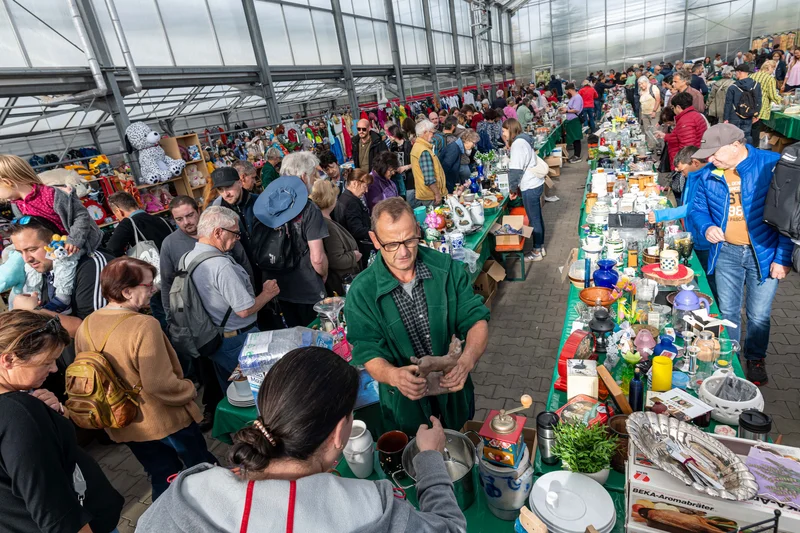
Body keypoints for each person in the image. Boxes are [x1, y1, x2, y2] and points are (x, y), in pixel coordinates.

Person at [137, 347, 466, 533]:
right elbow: (450, 528)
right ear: (339, 433)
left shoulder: (185, 496)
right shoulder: (372, 509)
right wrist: (429, 459)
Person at [74, 257, 217, 500]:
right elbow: (159, 384)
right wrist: (188, 389)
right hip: (164, 421)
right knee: (202, 468)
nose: (154, 289)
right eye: (148, 285)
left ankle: (169, 516)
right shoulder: (144, 325)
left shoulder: (87, 324)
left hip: (125, 422)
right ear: (127, 292)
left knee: (162, 475)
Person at [345, 198, 490, 433]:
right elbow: (367, 349)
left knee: (461, 441)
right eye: (391, 244)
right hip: (405, 407)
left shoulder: (445, 268)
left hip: (454, 395)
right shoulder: (362, 292)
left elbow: (476, 319)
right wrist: (393, 375)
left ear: (418, 230)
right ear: (375, 239)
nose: (403, 252)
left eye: (410, 240)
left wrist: (466, 361)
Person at [0, 311, 124, 533]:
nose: (54, 369)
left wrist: (52, 416)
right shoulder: (19, 415)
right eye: (47, 362)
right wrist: (34, 415)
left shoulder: (20, 406)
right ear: (9, 360)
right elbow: (56, 513)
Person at [689, 124, 793, 386]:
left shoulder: (772, 165)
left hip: (765, 253)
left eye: (715, 153)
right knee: (728, 311)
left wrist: (783, 258)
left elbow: (790, 217)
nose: (711, 159)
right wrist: (706, 226)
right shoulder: (709, 173)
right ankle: (730, 359)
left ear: (736, 145)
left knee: (758, 315)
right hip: (727, 253)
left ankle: (755, 358)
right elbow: (697, 209)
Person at [160, 195, 254, 431]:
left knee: (232, 391)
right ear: (218, 232)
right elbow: (244, 310)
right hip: (234, 337)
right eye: (234, 234)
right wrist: (267, 294)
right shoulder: (218, 263)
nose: (236, 239)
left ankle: (239, 434)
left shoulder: (187, 255)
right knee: (251, 393)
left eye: (190, 215)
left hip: (211, 336)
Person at [0, 154, 103, 313]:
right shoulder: (18, 204)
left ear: (7, 182)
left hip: (72, 241)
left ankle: (63, 299)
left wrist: (74, 240)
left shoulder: (50, 194)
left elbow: (81, 215)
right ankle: (34, 294)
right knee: (29, 267)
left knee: (64, 260)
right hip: (51, 245)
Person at [9, 216, 113, 337]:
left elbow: (94, 329)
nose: (26, 259)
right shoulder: (39, 272)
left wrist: (34, 313)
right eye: (20, 252)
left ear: (55, 241)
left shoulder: (90, 265)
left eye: (32, 249)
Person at [254, 166, 329, 327]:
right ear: (303, 176)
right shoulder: (309, 208)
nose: (314, 179)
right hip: (307, 287)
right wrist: (323, 274)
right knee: (317, 333)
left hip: (276, 284)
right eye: (312, 175)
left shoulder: (266, 205)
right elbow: (317, 258)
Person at [648, 146, 716, 298]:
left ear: (695, 163)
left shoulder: (705, 178)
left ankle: (710, 303)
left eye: (682, 170)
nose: (681, 174)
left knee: (709, 280)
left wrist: (662, 214)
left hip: (705, 239)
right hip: (695, 235)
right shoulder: (693, 176)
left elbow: (691, 207)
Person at [105, 191, 173, 328]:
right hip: (176, 276)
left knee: (165, 321)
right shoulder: (161, 220)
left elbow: (111, 251)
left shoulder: (128, 223)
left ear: (119, 211)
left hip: (154, 283)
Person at [504, 118, 548, 262]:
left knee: (534, 219)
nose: (503, 134)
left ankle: (536, 251)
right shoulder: (524, 140)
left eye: (504, 131)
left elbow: (515, 170)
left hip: (530, 185)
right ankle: (540, 246)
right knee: (537, 217)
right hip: (535, 183)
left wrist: (512, 189)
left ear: (510, 129)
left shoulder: (517, 144)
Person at [310, 180, 361, 296]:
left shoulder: (324, 220)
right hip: (340, 284)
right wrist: (354, 256)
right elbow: (335, 259)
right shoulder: (327, 225)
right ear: (330, 199)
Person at [211, 166, 259, 263]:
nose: (225, 194)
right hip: (241, 266)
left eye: (228, 186)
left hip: (269, 262)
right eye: (220, 189)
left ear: (240, 183)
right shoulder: (216, 213)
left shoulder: (259, 201)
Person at [654, 92, 707, 171]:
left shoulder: (686, 121)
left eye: (673, 108)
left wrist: (682, 166)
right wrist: (665, 136)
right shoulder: (695, 115)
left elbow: (687, 146)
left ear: (678, 107)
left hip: (687, 163)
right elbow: (679, 136)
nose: (673, 110)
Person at [334, 168, 374, 269]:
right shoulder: (352, 202)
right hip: (359, 249)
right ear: (355, 183)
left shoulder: (344, 197)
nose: (366, 190)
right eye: (365, 186)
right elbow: (356, 230)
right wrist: (375, 233)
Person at [410, 119, 447, 207]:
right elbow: (429, 178)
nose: (433, 135)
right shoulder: (423, 151)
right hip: (430, 196)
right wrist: (437, 194)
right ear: (424, 132)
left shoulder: (418, 147)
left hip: (426, 194)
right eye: (431, 132)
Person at [723, 64, 762, 145]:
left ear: (739, 72)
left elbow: (728, 103)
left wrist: (726, 118)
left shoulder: (733, 87)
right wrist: (756, 114)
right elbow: (758, 101)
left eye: (736, 72)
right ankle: (747, 150)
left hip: (734, 115)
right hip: (749, 115)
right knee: (746, 136)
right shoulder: (756, 85)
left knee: (733, 137)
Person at [750, 59, 782, 144]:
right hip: (761, 107)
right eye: (773, 68)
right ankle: (754, 147)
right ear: (768, 68)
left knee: (750, 129)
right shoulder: (770, 78)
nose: (773, 71)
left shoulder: (752, 75)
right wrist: (781, 101)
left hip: (750, 106)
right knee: (756, 130)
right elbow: (772, 95)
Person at [387, 124, 415, 204]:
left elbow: (416, 163)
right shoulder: (393, 146)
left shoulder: (408, 145)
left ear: (393, 135)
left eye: (389, 135)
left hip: (409, 181)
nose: (388, 137)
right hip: (399, 182)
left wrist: (405, 167)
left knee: (410, 203)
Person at [638, 75, 662, 152]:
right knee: (647, 131)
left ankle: (657, 146)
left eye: (642, 83)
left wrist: (654, 111)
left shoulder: (653, 88)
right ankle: (650, 146)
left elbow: (658, 100)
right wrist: (641, 115)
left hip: (654, 112)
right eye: (639, 84)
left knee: (654, 130)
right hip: (644, 113)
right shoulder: (641, 90)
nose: (641, 86)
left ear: (646, 82)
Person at [563, 83, 584, 163]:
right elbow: (571, 107)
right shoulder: (573, 97)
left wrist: (566, 111)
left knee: (576, 138)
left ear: (569, 90)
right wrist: (565, 109)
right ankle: (575, 154)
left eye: (566, 91)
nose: (566, 93)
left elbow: (576, 109)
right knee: (574, 139)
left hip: (575, 120)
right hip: (572, 120)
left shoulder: (577, 97)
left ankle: (577, 156)